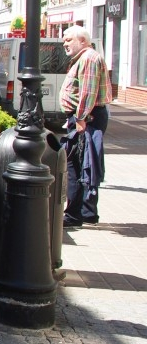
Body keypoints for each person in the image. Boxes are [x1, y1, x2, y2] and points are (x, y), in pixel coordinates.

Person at [59, 25, 112, 227]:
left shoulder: (89, 57)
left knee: (76, 164)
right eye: (64, 40)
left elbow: (88, 92)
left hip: (87, 118)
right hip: (85, 117)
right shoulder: (85, 57)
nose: (65, 43)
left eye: (68, 39)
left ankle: (74, 215)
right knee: (85, 164)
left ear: (82, 40)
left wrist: (80, 118)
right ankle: (87, 212)